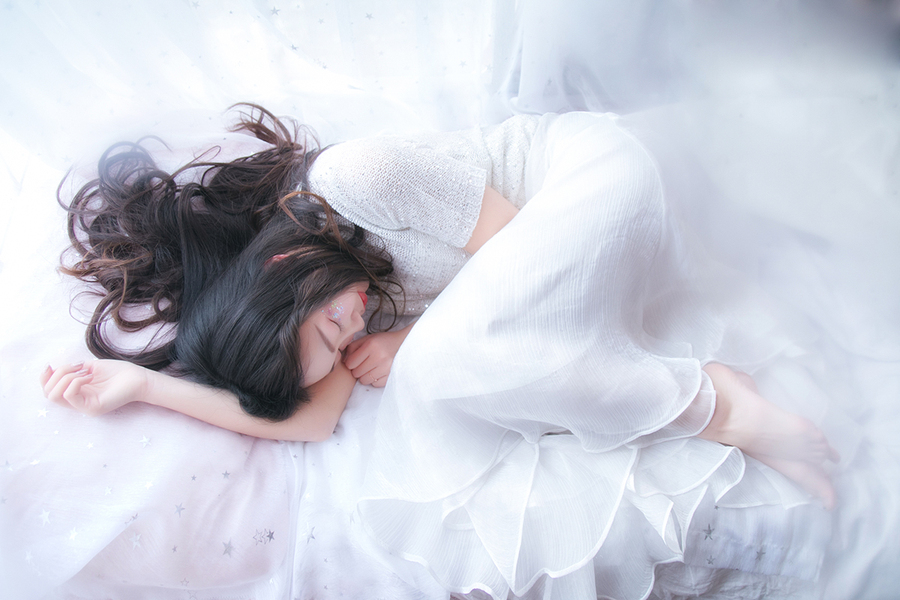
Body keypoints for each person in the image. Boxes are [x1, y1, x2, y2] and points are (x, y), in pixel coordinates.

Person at [40, 104, 838, 596]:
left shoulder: (354, 179)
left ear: (282, 267)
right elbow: (312, 423)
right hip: (585, 263)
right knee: (446, 390)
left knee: (448, 363)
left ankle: (717, 405)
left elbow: (518, 244)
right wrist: (145, 388)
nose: (350, 330)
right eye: (339, 344)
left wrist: (411, 337)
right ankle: (708, 401)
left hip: (596, 180)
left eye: (329, 330)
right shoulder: (338, 297)